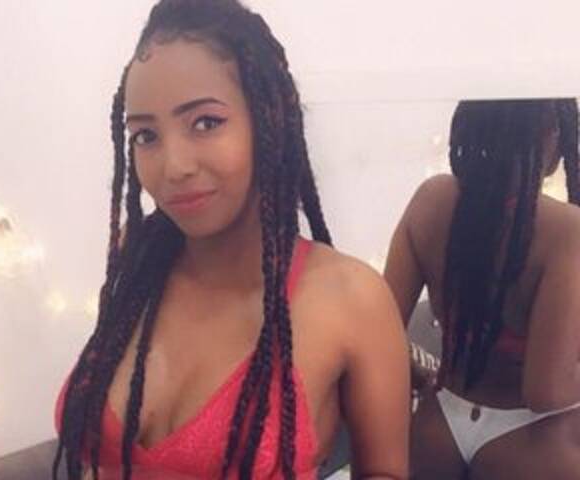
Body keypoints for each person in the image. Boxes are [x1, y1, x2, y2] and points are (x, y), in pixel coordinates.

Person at [53, 1, 409, 478]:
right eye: (145, 135)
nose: (174, 166)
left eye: (205, 123)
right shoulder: (136, 258)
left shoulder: (350, 298)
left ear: (270, 120)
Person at [384, 98, 580, 479]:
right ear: (550, 132)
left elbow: (377, 331)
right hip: (531, 444)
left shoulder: (431, 199)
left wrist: (420, 374)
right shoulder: (567, 231)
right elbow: (546, 391)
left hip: (437, 426)